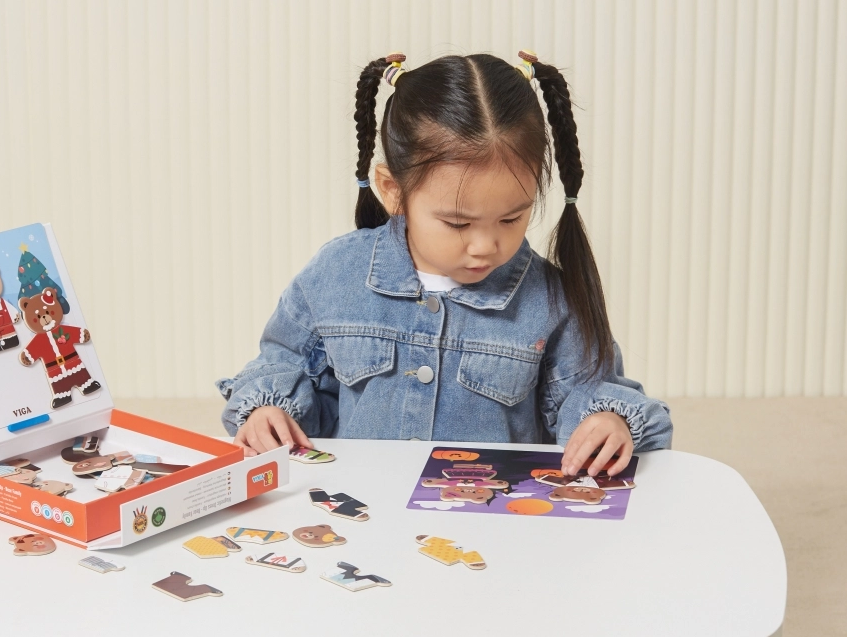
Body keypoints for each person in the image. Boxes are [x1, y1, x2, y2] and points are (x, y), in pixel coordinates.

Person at [216, 51, 672, 477]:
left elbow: (587, 391)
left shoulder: (549, 299)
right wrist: (267, 410)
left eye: (511, 218)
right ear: (393, 190)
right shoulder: (336, 274)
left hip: (490, 512)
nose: (485, 246)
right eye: (458, 223)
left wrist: (607, 421)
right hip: (362, 503)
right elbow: (284, 366)